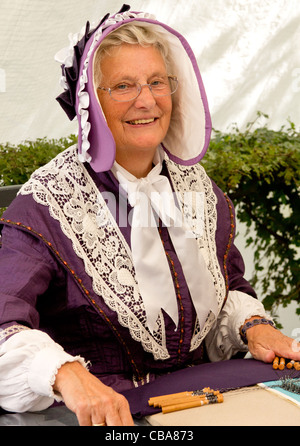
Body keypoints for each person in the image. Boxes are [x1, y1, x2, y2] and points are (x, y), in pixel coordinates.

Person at [0, 5, 299, 426]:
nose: (146, 100)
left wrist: (253, 327)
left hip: (211, 396)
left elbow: (224, 282)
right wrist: (64, 373)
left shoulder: (197, 187)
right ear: (90, 102)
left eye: (157, 82)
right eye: (123, 85)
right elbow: (4, 315)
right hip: (114, 414)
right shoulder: (48, 205)